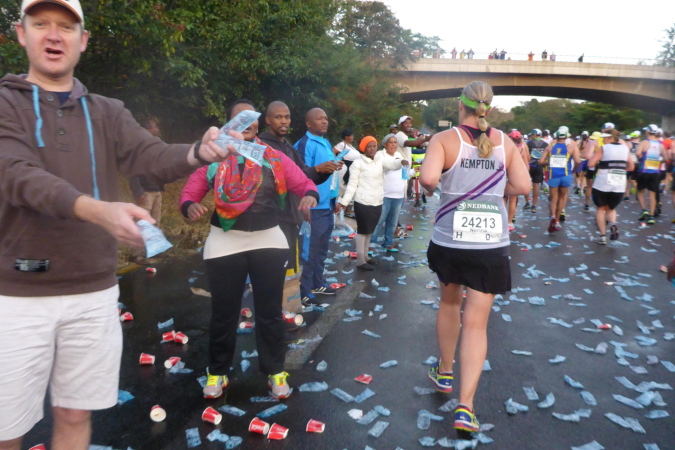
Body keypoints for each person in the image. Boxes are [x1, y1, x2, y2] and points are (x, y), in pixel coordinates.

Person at [0, 1, 240, 448]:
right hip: (15, 293)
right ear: (21, 33)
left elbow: (150, 155)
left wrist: (197, 152)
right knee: (6, 429)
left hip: (93, 290)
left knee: (74, 414)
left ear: (83, 40)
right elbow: (16, 174)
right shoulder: (4, 103)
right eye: (41, 24)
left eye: (66, 26)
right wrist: (98, 210)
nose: (53, 35)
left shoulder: (107, 111)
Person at [179, 100, 319, 401]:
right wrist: (189, 205)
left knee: (269, 313)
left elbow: (303, 182)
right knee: (224, 313)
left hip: (268, 239)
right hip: (224, 241)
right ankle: (218, 372)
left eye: (251, 118)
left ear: (257, 124)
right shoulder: (214, 155)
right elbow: (191, 190)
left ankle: (275, 371)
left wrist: (309, 195)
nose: (247, 124)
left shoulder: (272, 156)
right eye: (240, 118)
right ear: (229, 124)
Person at [419, 81, 530, 435]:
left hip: (450, 240)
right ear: (489, 108)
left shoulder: (444, 139)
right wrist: (493, 191)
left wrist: (453, 187)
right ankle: (466, 408)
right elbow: (524, 186)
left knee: (450, 304)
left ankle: (445, 372)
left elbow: (428, 179)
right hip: (490, 243)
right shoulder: (506, 143)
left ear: (460, 105)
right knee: (477, 323)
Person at [258, 101, 336, 276]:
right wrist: (317, 169)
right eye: (278, 117)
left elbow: (303, 177)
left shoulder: (288, 148)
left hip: (291, 217)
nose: (284, 121)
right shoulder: (263, 147)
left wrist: (324, 172)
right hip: (272, 219)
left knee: (287, 270)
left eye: (287, 117)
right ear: (268, 120)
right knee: (271, 270)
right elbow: (279, 179)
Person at [295, 108, 343, 304]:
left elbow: (328, 175)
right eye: (319, 119)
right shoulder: (304, 144)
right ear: (308, 123)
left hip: (326, 205)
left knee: (322, 249)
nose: (325, 122)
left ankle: (318, 283)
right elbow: (300, 175)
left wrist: (334, 199)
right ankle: (304, 290)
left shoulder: (325, 143)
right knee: (308, 251)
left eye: (326, 118)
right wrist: (304, 204)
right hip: (312, 207)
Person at [336, 136, 407, 270]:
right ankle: (360, 260)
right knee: (363, 231)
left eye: (374, 146)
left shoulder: (380, 159)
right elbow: (352, 185)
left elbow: (391, 164)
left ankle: (366, 257)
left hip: (377, 201)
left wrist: (400, 162)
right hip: (362, 202)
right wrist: (344, 202)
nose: (372, 149)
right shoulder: (358, 163)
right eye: (369, 146)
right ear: (364, 148)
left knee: (370, 230)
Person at [127, 117, 166, 264]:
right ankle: (136, 254)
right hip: (145, 192)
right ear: (147, 129)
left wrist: (161, 187)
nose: (158, 129)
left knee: (155, 222)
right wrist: (137, 191)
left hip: (155, 190)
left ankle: (154, 250)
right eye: (155, 126)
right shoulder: (138, 148)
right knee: (141, 224)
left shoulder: (155, 146)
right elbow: (132, 171)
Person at [587, 129, 634, 244]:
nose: (603, 140)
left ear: (611, 138)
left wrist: (600, 163)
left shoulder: (604, 148)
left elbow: (590, 163)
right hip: (619, 183)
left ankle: (602, 236)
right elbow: (631, 167)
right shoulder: (625, 148)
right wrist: (620, 169)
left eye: (605, 138)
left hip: (603, 182)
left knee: (600, 208)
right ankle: (613, 224)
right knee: (610, 208)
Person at [538, 126, 580, 233]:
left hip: (553, 175)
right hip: (566, 175)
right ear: (566, 137)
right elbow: (578, 161)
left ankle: (552, 216)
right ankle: (556, 220)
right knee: (562, 198)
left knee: (553, 198)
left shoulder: (550, 147)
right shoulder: (571, 147)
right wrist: (574, 170)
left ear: (556, 136)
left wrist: (549, 163)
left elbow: (541, 161)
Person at [372, 134, 408, 251]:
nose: (393, 144)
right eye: (390, 142)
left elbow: (404, 175)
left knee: (392, 222)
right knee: (379, 220)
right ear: (385, 144)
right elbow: (388, 166)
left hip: (398, 195)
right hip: (385, 195)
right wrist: (399, 162)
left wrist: (413, 171)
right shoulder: (380, 155)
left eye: (395, 142)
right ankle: (371, 244)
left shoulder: (399, 155)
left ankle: (388, 243)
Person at [635, 124, 667, 225]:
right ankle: (651, 216)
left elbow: (638, 153)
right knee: (652, 194)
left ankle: (644, 209)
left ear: (648, 132)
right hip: (655, 172)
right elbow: (666, 158)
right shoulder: (660, 145)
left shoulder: (644, 143)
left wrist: (641, 158)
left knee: (640, 191)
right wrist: (658, 163)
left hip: (644, 171)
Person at [396, 116, 431, 197]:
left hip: (405, 168)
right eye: (406, 123)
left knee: (404, 189)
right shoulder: (400, 135)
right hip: (400, 168)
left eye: (409, 123)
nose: (408, 125)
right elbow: (409, 143)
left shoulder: (405, 136)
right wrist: (425, 139)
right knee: (400, 192)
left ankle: (406, 196)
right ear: (400, 125)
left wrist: (416, 163)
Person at [505, 130, 530, 231]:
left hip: (505, 175)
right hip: (516, 176)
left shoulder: (506, 148)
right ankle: (509, 223)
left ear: (511, 138)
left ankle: (502, 221)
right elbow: (527, 166)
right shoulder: (522, 150)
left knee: (503, 199)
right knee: (513, 200)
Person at [523, 129, 547, 212]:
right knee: (536, 185)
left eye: (532, 135)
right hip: (539, 166)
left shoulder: (529, 143)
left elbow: (526, 155)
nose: (531, 137)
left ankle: (527, 203)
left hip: (530, 165)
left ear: (534, 135)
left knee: (527, 184)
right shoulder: (545, 144)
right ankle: (534, 206)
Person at [625, 131, 641, 200]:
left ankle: (627, 195)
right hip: (639, 163)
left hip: (630, 163)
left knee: (627, 179)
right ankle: (638, 191)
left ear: (631, 138)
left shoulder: (629, 144)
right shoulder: (641, 144)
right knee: (634, 179)